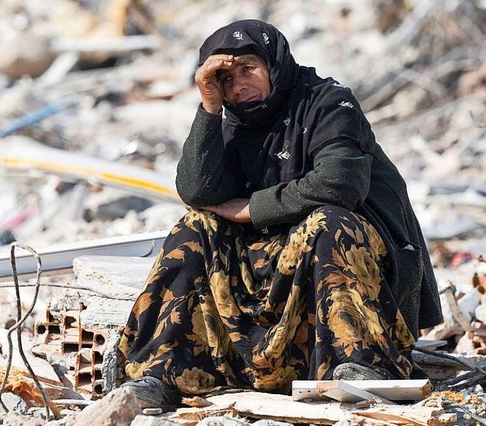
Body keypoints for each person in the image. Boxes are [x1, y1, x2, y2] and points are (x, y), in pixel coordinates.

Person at [118, 19, 443, 408]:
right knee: (195, 226)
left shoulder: (328, 102)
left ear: (274, 64)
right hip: (271, 268)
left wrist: (254, 208)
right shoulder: (230, 121)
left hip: (350, 265)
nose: (239, 85)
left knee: (327, 222)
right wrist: (208, 108)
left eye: (248, 70)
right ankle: (163, 368)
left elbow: (339, 184)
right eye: (225, 78)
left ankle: (360, 364)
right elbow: (197, 192)